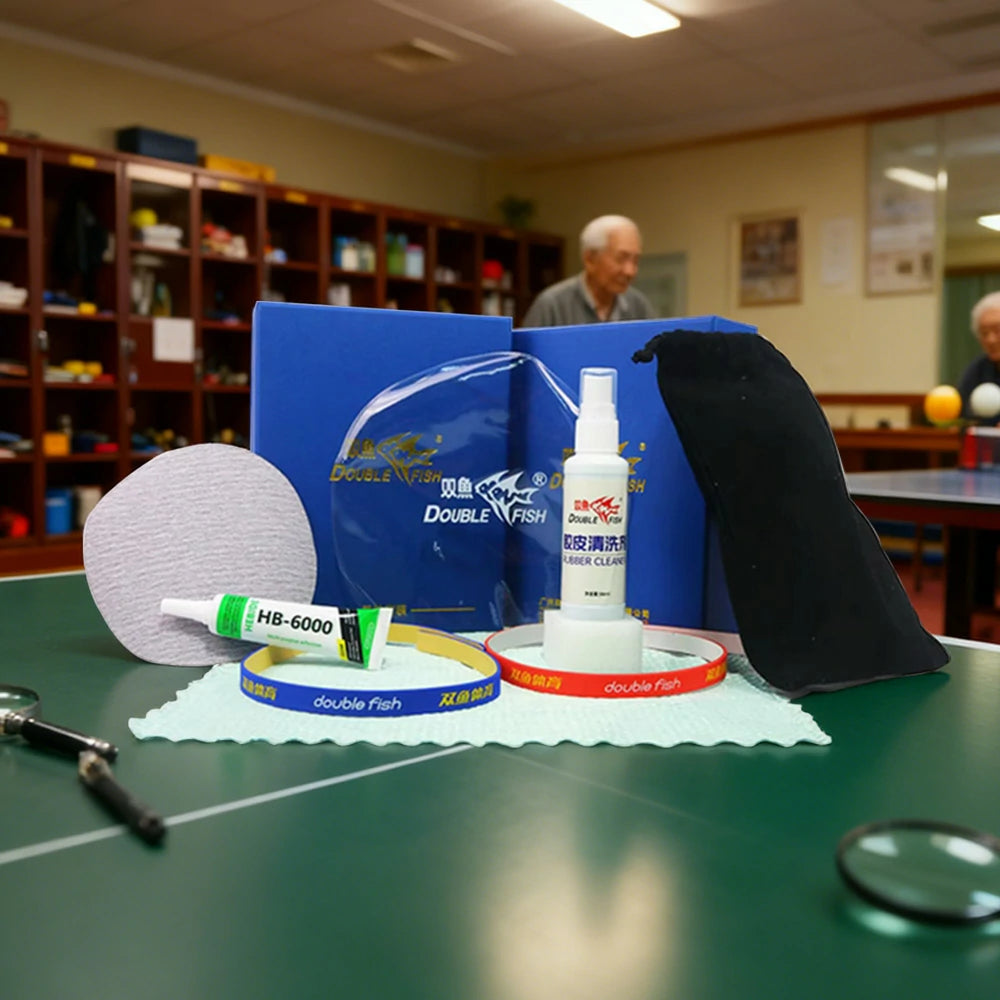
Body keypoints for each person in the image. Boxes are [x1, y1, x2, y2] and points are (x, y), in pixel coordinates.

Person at [521, 215, 653, 327]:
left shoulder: (639, 306)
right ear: (589, 259)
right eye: (620, 259)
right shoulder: (552, 305)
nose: (630, 271)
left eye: (636, 260)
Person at [959, 290, 1000, 418]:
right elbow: (963, 415)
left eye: (997, 330)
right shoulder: (976, 370)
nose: (990, 340)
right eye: (984, 333)